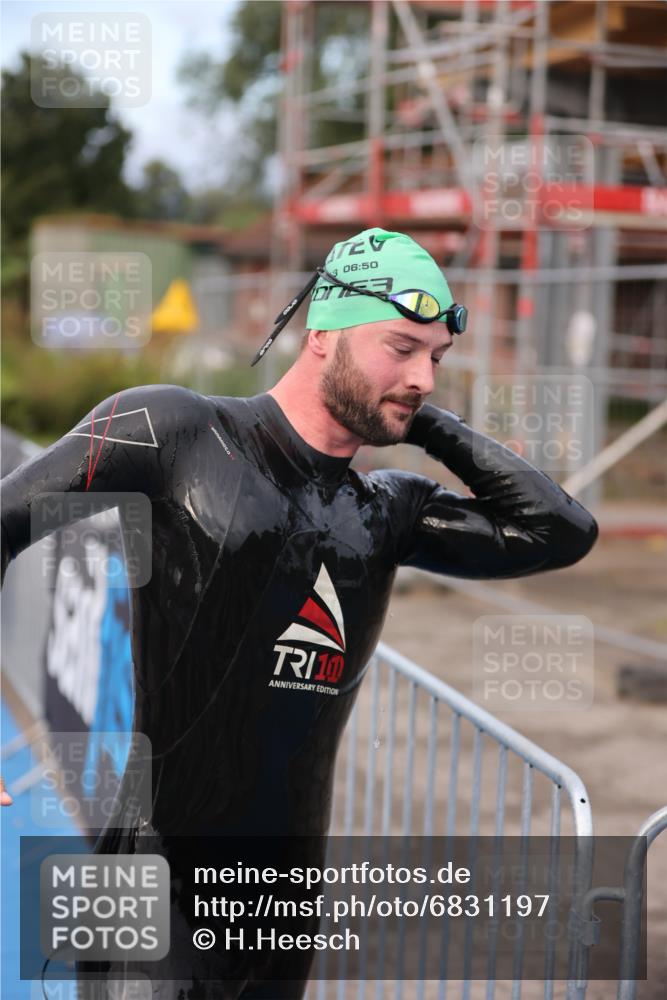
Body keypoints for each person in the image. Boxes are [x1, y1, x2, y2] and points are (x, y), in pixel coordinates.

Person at [0, 228, 598, 998]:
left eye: (435, 360)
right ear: (322, 331)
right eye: (401, 347)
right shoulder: (175, 431)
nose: (422, 376)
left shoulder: (388, 511)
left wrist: (414, 414)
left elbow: (558, 530)